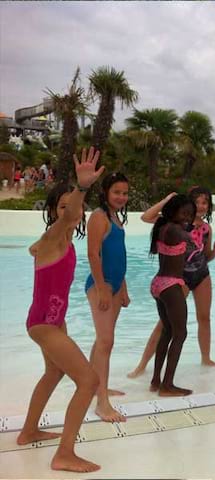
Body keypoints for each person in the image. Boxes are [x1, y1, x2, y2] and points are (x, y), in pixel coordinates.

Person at [17, 147, 103, 473]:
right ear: (54, 211)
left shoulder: (62, 241)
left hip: (53, 321)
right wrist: (81, 188)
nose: (71, 210)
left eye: (75, 205)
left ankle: (28, 431)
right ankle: (65, 453)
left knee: (53, 373)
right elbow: (65, 219)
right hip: (44, 324)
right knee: (89, 381)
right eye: (63, 205)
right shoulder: (54, 236)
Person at [127, 188, 215, 379]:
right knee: (165, 325)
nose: (201, 206)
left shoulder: (206, 229)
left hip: (202, 274)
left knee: (204, 318)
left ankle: (206, 358)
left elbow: (205, 256)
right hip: (180, 277)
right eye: (197, 202)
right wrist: (167, 199)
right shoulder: (174, 223)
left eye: (205, 202)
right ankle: (142, 364)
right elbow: (147, 217)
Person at [85, 172, 130, 422]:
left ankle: (96, 385)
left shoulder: (115, 217)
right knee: (106, 341)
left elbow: (119, 255)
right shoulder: (99, 217)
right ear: (105, 192)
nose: (121, 197)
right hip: (100, 285)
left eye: (125, 193)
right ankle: (102, 402)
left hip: (114, 285)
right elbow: (93, 254)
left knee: (103, 340)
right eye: (116, 192)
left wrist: (122, 287)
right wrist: (102, 287)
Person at [149, 194, 197, 396]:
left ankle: (156, 380)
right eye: (183, 212)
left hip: (159, 283)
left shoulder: (162, 226)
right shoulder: (175, 229)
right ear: (172, 211)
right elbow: (191, 242)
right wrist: (193, 236)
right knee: (180, 333)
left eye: (190, 213)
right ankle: (167, 385)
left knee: (168, 331)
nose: (187, 216)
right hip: (170, 285)